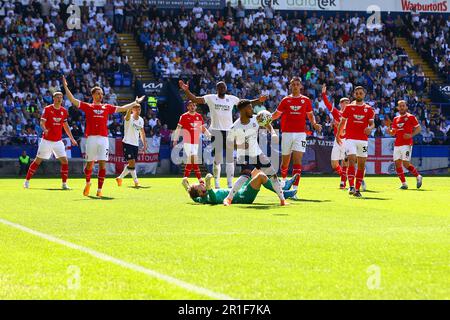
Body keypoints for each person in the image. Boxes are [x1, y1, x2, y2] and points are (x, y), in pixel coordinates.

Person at [62, 76, 144, 197]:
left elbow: (121, 108)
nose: (101, 96)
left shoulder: (107, 107)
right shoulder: (88, 106)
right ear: (93, 95)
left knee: (102, 164)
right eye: (98, 94)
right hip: (91, 138)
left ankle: (99, 190)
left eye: (102, 94)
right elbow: (73, 100)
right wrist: (65, 87)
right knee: (90, 164)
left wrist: (135, 103)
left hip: (103, 139)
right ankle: (88, 183)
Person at [179, 80, 266, 189]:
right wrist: (186, 91)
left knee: (230, 159)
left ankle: (230, 185)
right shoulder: (211, 98)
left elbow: (246, 103)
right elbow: (195, 99)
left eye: (223, 87)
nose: (222, 89)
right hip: (216, 131)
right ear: (217, 89)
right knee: (217, 159)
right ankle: (217, 184)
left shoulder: (231, 99)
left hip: (229, 131)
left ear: (226, 89)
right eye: (220, 87)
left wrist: (259, 100)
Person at [224, 99, 288, 206]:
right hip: (244, 155)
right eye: (249, 108)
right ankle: (228, 199)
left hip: (257, 153)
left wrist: (272, 133)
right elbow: (228, 144)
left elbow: (267, 124)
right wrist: (240, 145)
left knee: (273, 175)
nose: (252, 109)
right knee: (245, 176)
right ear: (243, 110)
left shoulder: (255, 119)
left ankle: (282, 200)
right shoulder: (234, 127)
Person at [271, 77, 322, 198]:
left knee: (297, 162)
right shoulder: (285, 100)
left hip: (300, 134)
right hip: (287, 133)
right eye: (293, 84)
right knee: (285, 162)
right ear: (290, 86)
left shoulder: (306, 100)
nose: (295, 86)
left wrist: (314, 124)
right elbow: (276, 115)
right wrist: (264, 120)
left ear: (301, 87)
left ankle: (294, 190)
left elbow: (310, 115)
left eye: (297, 84)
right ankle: (283, 185)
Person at [23, 92, 78, 189]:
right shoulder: (47, 109)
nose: (59, 99)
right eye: (57, 97)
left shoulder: (64, 111)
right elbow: (42, 122)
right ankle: (26, 181)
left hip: (58, 141)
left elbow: (66, 126)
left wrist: (72, 138)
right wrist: (44, 129)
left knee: (65, 161)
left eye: (61, 97)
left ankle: (64, 184)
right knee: (37, 161)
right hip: (46, 141)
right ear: (53, 98)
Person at [337, 86, 375, 198]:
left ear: (364, 95)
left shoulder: (369, 109)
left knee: (362, 165)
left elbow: (372, 124)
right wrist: (338, 135)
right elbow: (342, 122)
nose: (359, 95)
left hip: (363, 140)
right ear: (354, 94)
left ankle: (357, 189)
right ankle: (351, 186)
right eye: (357, 93)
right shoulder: (348, 107)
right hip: (350, 139)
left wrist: (370, 128)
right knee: (352, 160)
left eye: (361, 93)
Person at [184, 172, 297, 205]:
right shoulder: (207, 197)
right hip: (243, 196)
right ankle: (283, 193)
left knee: (255, 170)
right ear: (201, 192)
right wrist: (208, 187)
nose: (202, 184)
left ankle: (283, 187)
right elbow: (213, 199)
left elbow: (194, 198)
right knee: (262, 176)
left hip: (240, 189)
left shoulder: (200, 198)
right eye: (201, 186)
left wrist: (187, 187)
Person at [172, 101, 211, 184]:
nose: (192, 107)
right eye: (190, 105)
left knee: (191, 161)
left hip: (196, 142)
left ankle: (185, 178)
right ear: (188, 107)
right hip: (188, 142)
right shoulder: (184, 116)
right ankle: (200, 179)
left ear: (196, 107)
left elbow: (202, 129)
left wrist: (209, 135)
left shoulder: (198, 116)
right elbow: (178, 128)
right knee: (194, 159)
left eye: (194, 105)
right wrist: (175, 139)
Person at [389, 100, 423, 189]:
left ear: (406, 107)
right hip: (397, 144)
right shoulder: (395, 119)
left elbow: (419, 128)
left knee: (406, 164)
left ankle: (418, 176)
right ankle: (404, 184)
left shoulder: (411, 117)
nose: (402, 107)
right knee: (397, 164)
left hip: (407, 144)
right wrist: (390, 132)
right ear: (397, 108)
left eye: (403, 106)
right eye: (400, 106)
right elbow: (393, 132)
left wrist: (411, 135)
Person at [322, 84, 349, 189]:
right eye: (345, 103)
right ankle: (345, 176)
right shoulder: (337, 113)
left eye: (348, 102)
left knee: (345, 162)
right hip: (337, 141)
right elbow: (328, 105)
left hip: (346, 140)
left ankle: (343, 182)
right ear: (341, 104)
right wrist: (324, 94)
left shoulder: (351, 114)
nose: (348, 104)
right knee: (334, 164)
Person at [115, 104, 147, 187]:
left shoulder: (141, 120)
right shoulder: (129, 117)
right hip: (127, 142)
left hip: (135, 144)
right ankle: (136, 182)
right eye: (136, 109)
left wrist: (145, 144)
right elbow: (127, 116)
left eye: (139, 109)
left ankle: (120, 178)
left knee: (132, 164)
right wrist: (131, 106)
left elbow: (142, 132)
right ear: (132, 110)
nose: (138, 110)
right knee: (132, 162)